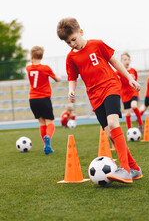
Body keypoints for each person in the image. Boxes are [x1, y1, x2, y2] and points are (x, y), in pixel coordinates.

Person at [57, 17, 143, 184]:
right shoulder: (71, 58)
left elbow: (115, 62)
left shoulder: (97, 44)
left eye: (74, 39)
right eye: (68, 42)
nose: (73, 44)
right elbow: (72, 77)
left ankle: (125, 170)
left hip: (110, 86)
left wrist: (129, 78)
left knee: (113, 123)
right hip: (94, 95)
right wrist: (71, 90)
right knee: (110, 134)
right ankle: (134, 168)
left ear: (81, 32)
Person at [26, 46, 62, 155]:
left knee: (41, 122)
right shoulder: (45, 68)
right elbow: (56, 79)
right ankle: (48, 141)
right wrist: (59, 77)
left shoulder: (28, 68)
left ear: (31, 56)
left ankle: (46, 145)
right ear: (42, 56)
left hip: (32, 99)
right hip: (44, 98)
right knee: (50, 122)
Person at [116, 53, 143, 133]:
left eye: (128, 59)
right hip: (124, 94)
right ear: (121, 61)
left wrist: (138, 93)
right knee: (127, 113)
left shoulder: (133, 70)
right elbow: (116, 82)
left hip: (133, 91)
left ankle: (140, 124)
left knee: (134, 105)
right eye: (125, 59)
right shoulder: (118, 72)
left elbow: (136, 81)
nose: (127, 61)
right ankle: (129, 131)